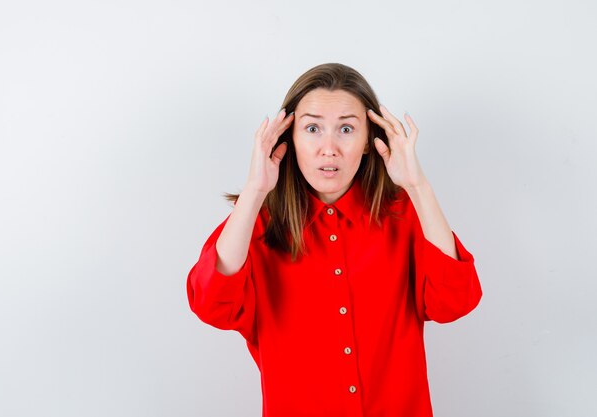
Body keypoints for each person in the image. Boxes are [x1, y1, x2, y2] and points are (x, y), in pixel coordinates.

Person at [186, 63, 482, 417]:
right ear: (289, 139)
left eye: (346, 129)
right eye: (312, 128)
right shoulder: (257, 222)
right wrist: (255, 190)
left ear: (369, 142)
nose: (329, 148)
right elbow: (211, 305)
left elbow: (454, 302)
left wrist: (417, 185)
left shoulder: (404, 213)